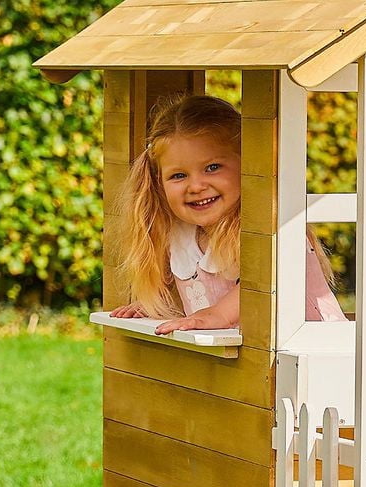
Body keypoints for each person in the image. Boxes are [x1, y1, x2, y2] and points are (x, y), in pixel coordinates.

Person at [107, 93, 345, 334]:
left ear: (248, 166)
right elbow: (202, 294)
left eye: (212, 168)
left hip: (315, 355)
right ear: (160, 183)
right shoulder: (180, 234)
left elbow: (268, 283)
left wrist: (216, 314)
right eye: (178, 175)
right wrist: (161, 306)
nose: (196, 186)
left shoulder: (266, 230)